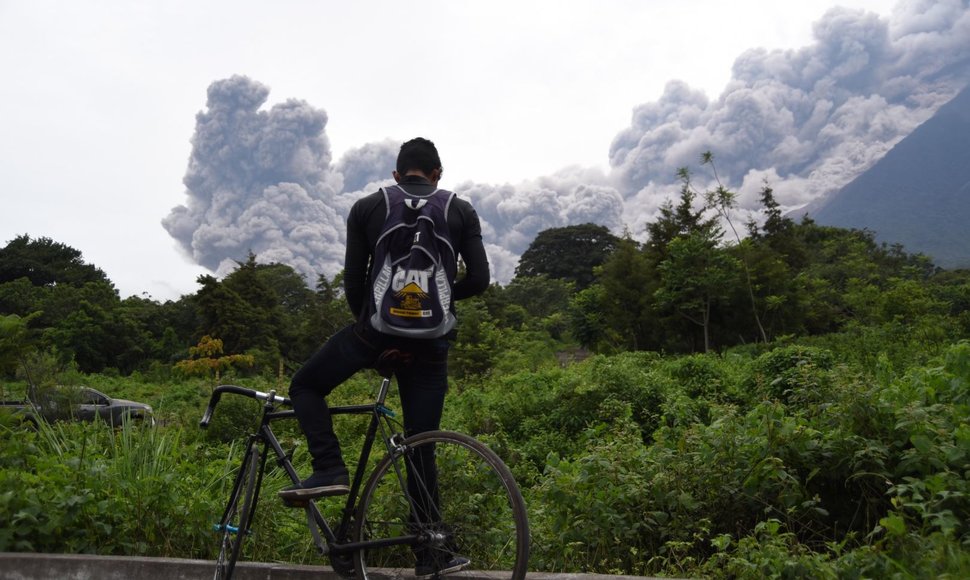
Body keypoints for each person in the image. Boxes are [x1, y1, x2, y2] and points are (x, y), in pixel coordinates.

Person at [280, 137, 489, 575]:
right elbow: (481, 279)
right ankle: (430, 555)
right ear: (437, 174)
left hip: (374, 334)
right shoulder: (461, 209)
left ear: (397, 175)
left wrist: (373, 335)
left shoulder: (367, 207)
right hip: (433, 343)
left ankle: (329, 468)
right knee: (420, 445)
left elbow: (354, 283)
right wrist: (441, 302)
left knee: (306, 385)